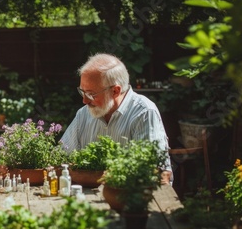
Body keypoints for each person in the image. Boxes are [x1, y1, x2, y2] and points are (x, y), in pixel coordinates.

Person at [60, 53, 172, 184]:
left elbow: (155, 173)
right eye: (82, 92)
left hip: (131, 198)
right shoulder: (84, 114)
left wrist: (93, 177)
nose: (84, 100)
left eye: (91, 94)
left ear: (115, 91)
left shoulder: (144, 112)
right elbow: (62, 157)